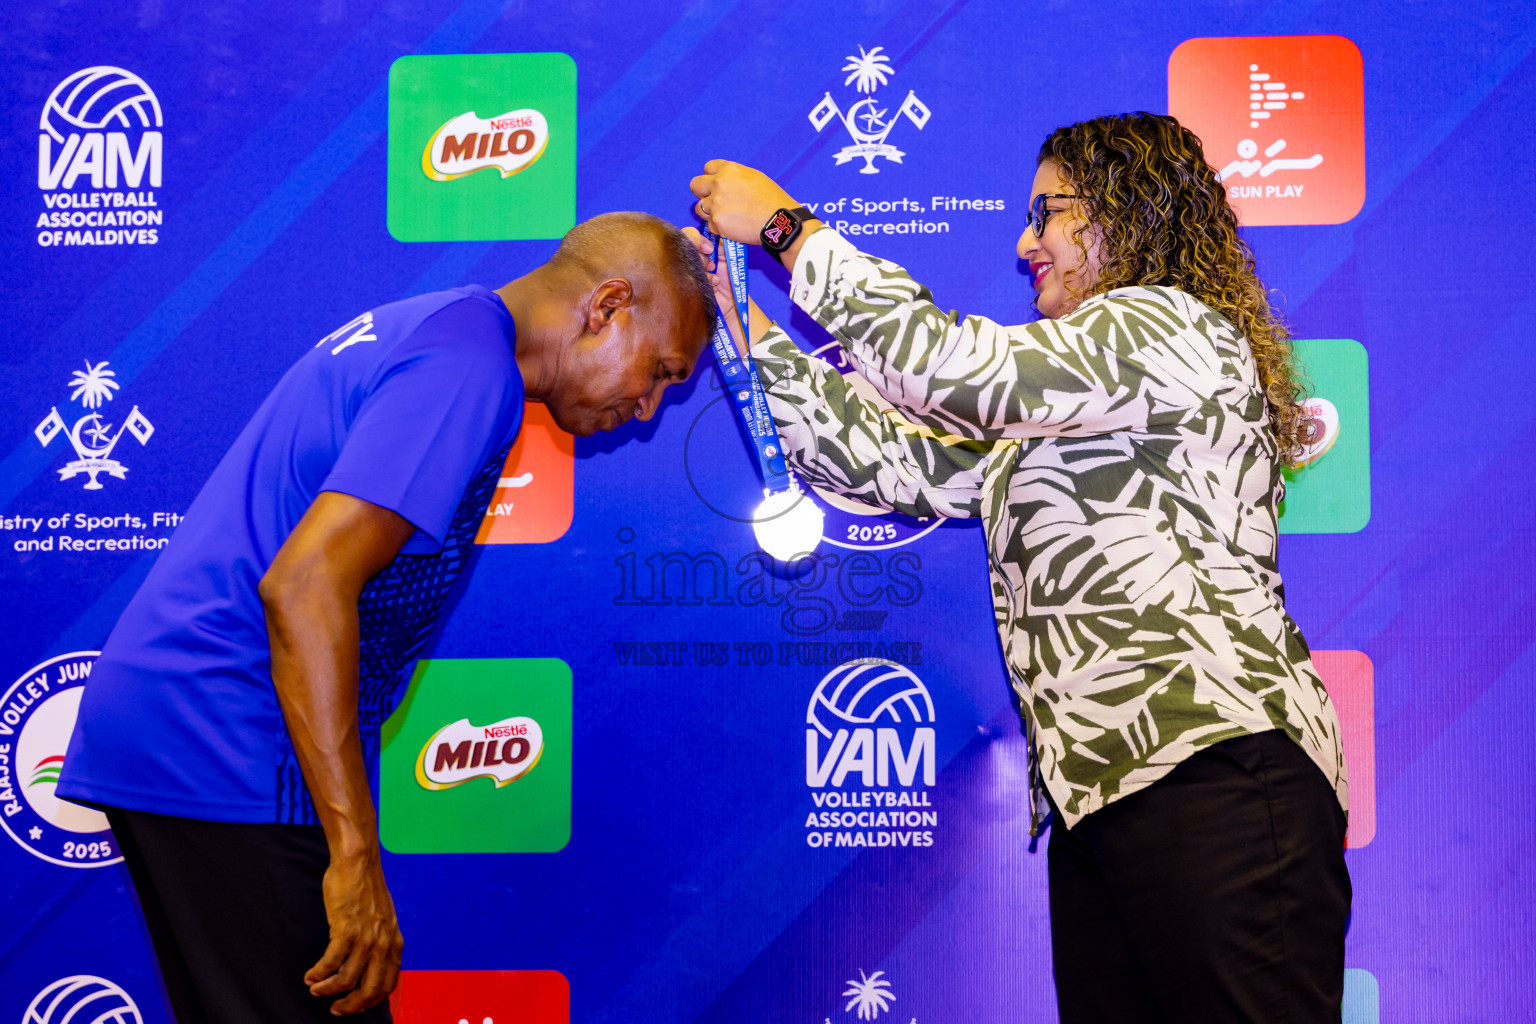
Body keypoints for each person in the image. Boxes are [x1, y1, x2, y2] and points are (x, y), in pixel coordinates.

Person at [689, 112, 1351, 1023]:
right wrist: (742, 325)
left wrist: (784, 230)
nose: (1023, 241)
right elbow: (880, 460)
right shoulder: (1071, 409)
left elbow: (951, 369)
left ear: (1124, 214)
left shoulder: (1165, 328)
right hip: (1100, 802)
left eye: (1047, 214)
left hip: (1215, 772)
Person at [55, 211, 715, 1023]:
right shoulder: (469, 367)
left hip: (187, 729)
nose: (647, 407)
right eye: (659, 370)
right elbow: (303, 586)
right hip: (227, 737)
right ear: (609, 304)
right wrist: (352, 853)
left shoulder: (450, 333)